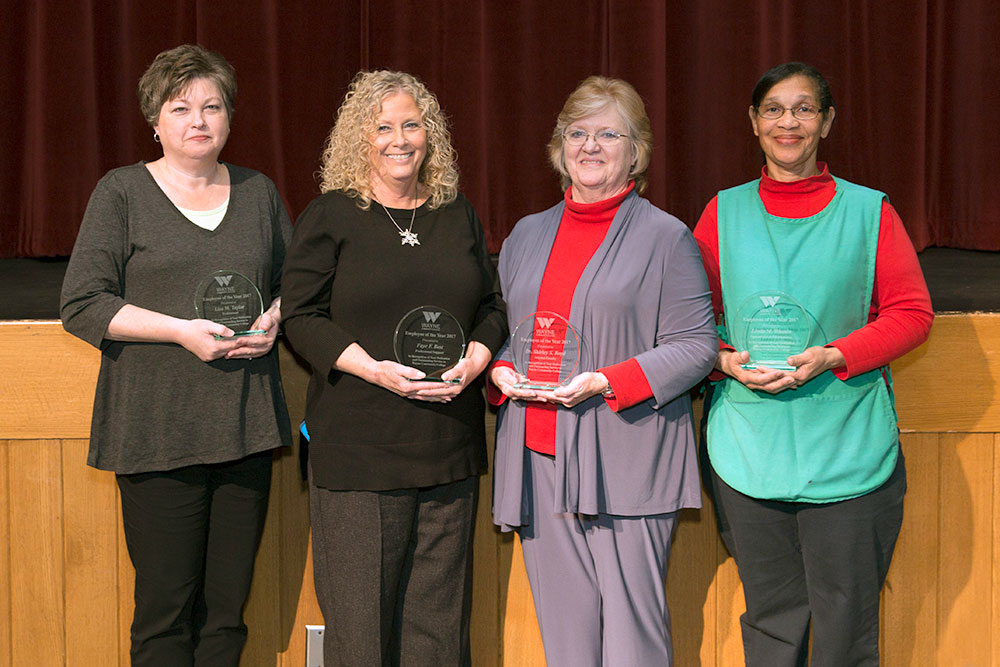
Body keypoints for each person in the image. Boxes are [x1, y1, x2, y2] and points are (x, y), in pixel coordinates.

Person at [693, 61, 934, 666]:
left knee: (844, 628)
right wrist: (722, 361)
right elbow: (686, 322)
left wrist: (836, 355)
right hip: (748, 450)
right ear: (753, 123)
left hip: (848, 452)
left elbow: (911, 313)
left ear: (826, 121)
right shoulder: (720, 214)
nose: (788, 122)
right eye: (774, 109)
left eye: (804, 109)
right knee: (773, 625)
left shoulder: (869, 211)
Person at [60, 44, 292, 666]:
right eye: (181, 107)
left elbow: (294, 285)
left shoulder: (258, 192)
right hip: (156, 431)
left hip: (245, 427)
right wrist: (180, 331)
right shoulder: (122, 193)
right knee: (165, 616)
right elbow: (82, 303)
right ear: (154, 120)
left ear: (229, 117)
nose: (199, 120)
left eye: (212, 106)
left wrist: (276, 318)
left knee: (225, 617)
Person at [280, 70, 506, 666]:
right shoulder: (331, 216)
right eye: (383, 127)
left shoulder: (456, 214)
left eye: (411, 124)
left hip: (447, 449)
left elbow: (491, 306)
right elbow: (301, 316)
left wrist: (477, 359)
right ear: (360, 138)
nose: (398, 139)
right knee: (361, 638)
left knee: (438, 635)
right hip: (358, 454)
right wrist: (373, 369)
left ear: (430, 135)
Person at [489, 76, 718, 666]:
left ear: (635, 150)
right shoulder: (525, 234)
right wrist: (505, 369)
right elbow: (523, 333)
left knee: (631, 645)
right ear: (559, 145)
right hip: (539, 459)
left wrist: (608, 380)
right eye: (578, 132)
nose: (590, 146)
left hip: (625, 460)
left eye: (608, 134)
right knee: (566, 646)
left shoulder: (667, 238)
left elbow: (695, 346)